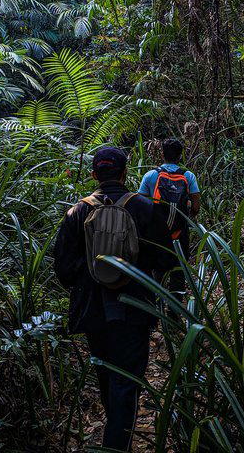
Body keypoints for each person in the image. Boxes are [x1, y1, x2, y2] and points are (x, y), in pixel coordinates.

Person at [53, 147, 175, 451]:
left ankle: (114, 434)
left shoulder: (76, 212)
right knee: (127, 379)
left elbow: (64, 271)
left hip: (93, 311)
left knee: (107, 375)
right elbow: (166, 260)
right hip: (133, 308)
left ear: (94, 174)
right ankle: (116, 443)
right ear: (124, 173)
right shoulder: (144, 208)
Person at [138, 138, 200, 297]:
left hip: (156, 234)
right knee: (178, 274)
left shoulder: (150, 175)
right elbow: (196, 207)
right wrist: (185, 218)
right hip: (180, 233)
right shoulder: (189, 176)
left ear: (162, 154)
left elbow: (140, 206)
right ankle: (175, 313)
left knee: (156, 272)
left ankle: (155, 309)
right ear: (180, 155)